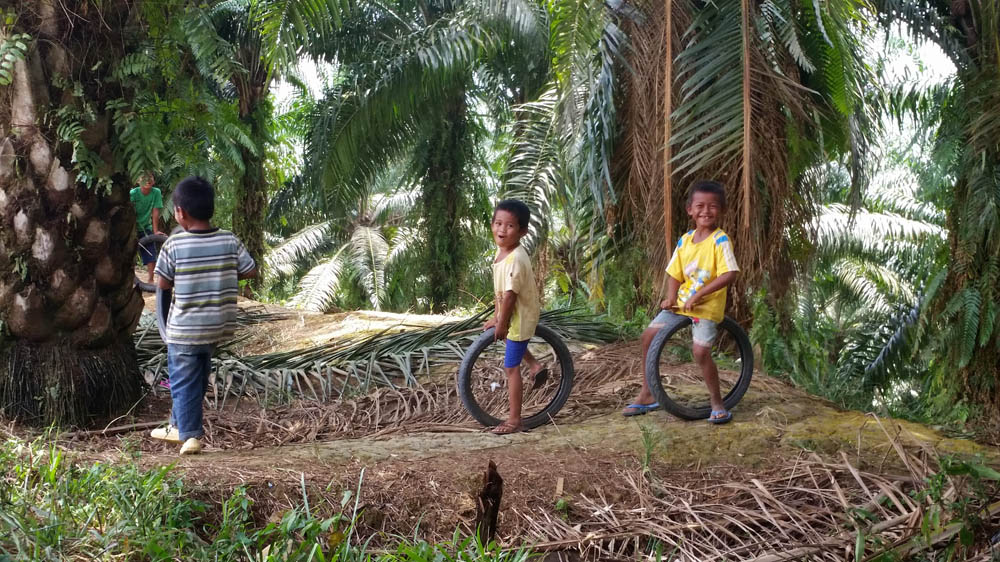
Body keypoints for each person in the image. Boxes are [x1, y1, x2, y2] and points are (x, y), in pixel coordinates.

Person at [150, 176, 256, 454]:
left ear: (180, 213)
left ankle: (191, 436)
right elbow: (250, 270)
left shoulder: (174, 245)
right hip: (216, 327)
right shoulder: (229, 240)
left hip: (185, 329)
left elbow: (161, 283)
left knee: (183, 380)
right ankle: (176, 425)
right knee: (194, 377)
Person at [623, 180, 740, 423]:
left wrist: (699, 295)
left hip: (706, 307)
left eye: (713, 206)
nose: (706, 211)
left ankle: (717, 403)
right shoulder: (685, 240)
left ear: (723, 210)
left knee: (700, 353)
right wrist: (671, 297)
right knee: (648, 337)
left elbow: (730, 273)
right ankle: (646, 393)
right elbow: (674, 273)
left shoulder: (720, 240)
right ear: (690, 209)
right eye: (700, 206)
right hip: (681, 304)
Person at [483, 199, 547, 435]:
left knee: (510, 368)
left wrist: (502, 322)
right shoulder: (502, 253)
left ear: (522, 232)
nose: (502, 230)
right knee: (514, 345)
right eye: (498, 223)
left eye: (509, 226)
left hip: (520, 316)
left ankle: (514, 420)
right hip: (514, 313)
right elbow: (499, 292)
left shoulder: (516, 259)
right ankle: (535, 364)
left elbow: (510, 296)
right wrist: (496, 316)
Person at [130, 172, 164, 284]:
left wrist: (155, 231)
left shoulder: (156, 192)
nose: (148, 180)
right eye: (144, 178)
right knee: (129, 253)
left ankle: (150, 280)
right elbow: (129, 213)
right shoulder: (133, 193)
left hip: (145, 227)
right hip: (132, 227)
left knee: (151, 253)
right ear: (138, 181)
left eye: (150, 177)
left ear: (154, 180)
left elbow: (155, 212)